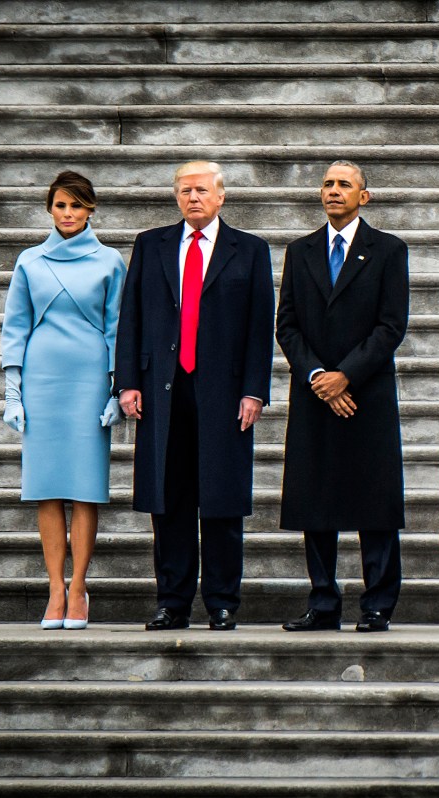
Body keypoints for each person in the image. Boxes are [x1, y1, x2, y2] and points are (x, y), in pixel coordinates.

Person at [114, 160, 274, 632]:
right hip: (163, 391)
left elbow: (259, 328)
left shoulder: (250, 250)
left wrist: (254, 391)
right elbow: (132, 317)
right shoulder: (151, 245)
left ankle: (222, 601)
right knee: (170, 501)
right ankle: (173, 602)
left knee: (221, 500)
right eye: (185, 191)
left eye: (202, 190)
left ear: (221, 196)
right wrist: (128, 382)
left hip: (224, 394)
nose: (194, 198)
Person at [276, 161, 409, 633]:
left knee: (375, 501)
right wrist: (318, 376)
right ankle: (323, 602)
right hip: (315, 395)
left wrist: (346, 376)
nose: (334, 191)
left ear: (363, 197)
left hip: (366, 395)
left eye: (344, 185)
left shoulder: (389, 250)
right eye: (328, 184)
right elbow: (286, 324)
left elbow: (392, 324)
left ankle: (377, 603)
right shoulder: (300, 250)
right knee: (317, 500)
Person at [0, 170, 127, 631]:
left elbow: (118, 328)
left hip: (89, 379)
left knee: (84, 488)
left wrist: (117, 387)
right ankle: (55, 589)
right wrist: (13, 392)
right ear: (49, 209)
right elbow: (15, 326)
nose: (68, 213)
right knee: (47, 488)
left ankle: (79, 587)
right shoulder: (30, 261)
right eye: (60, 205)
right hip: (43, 380)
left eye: (76, 205)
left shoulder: (111, 261)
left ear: (90, 209)